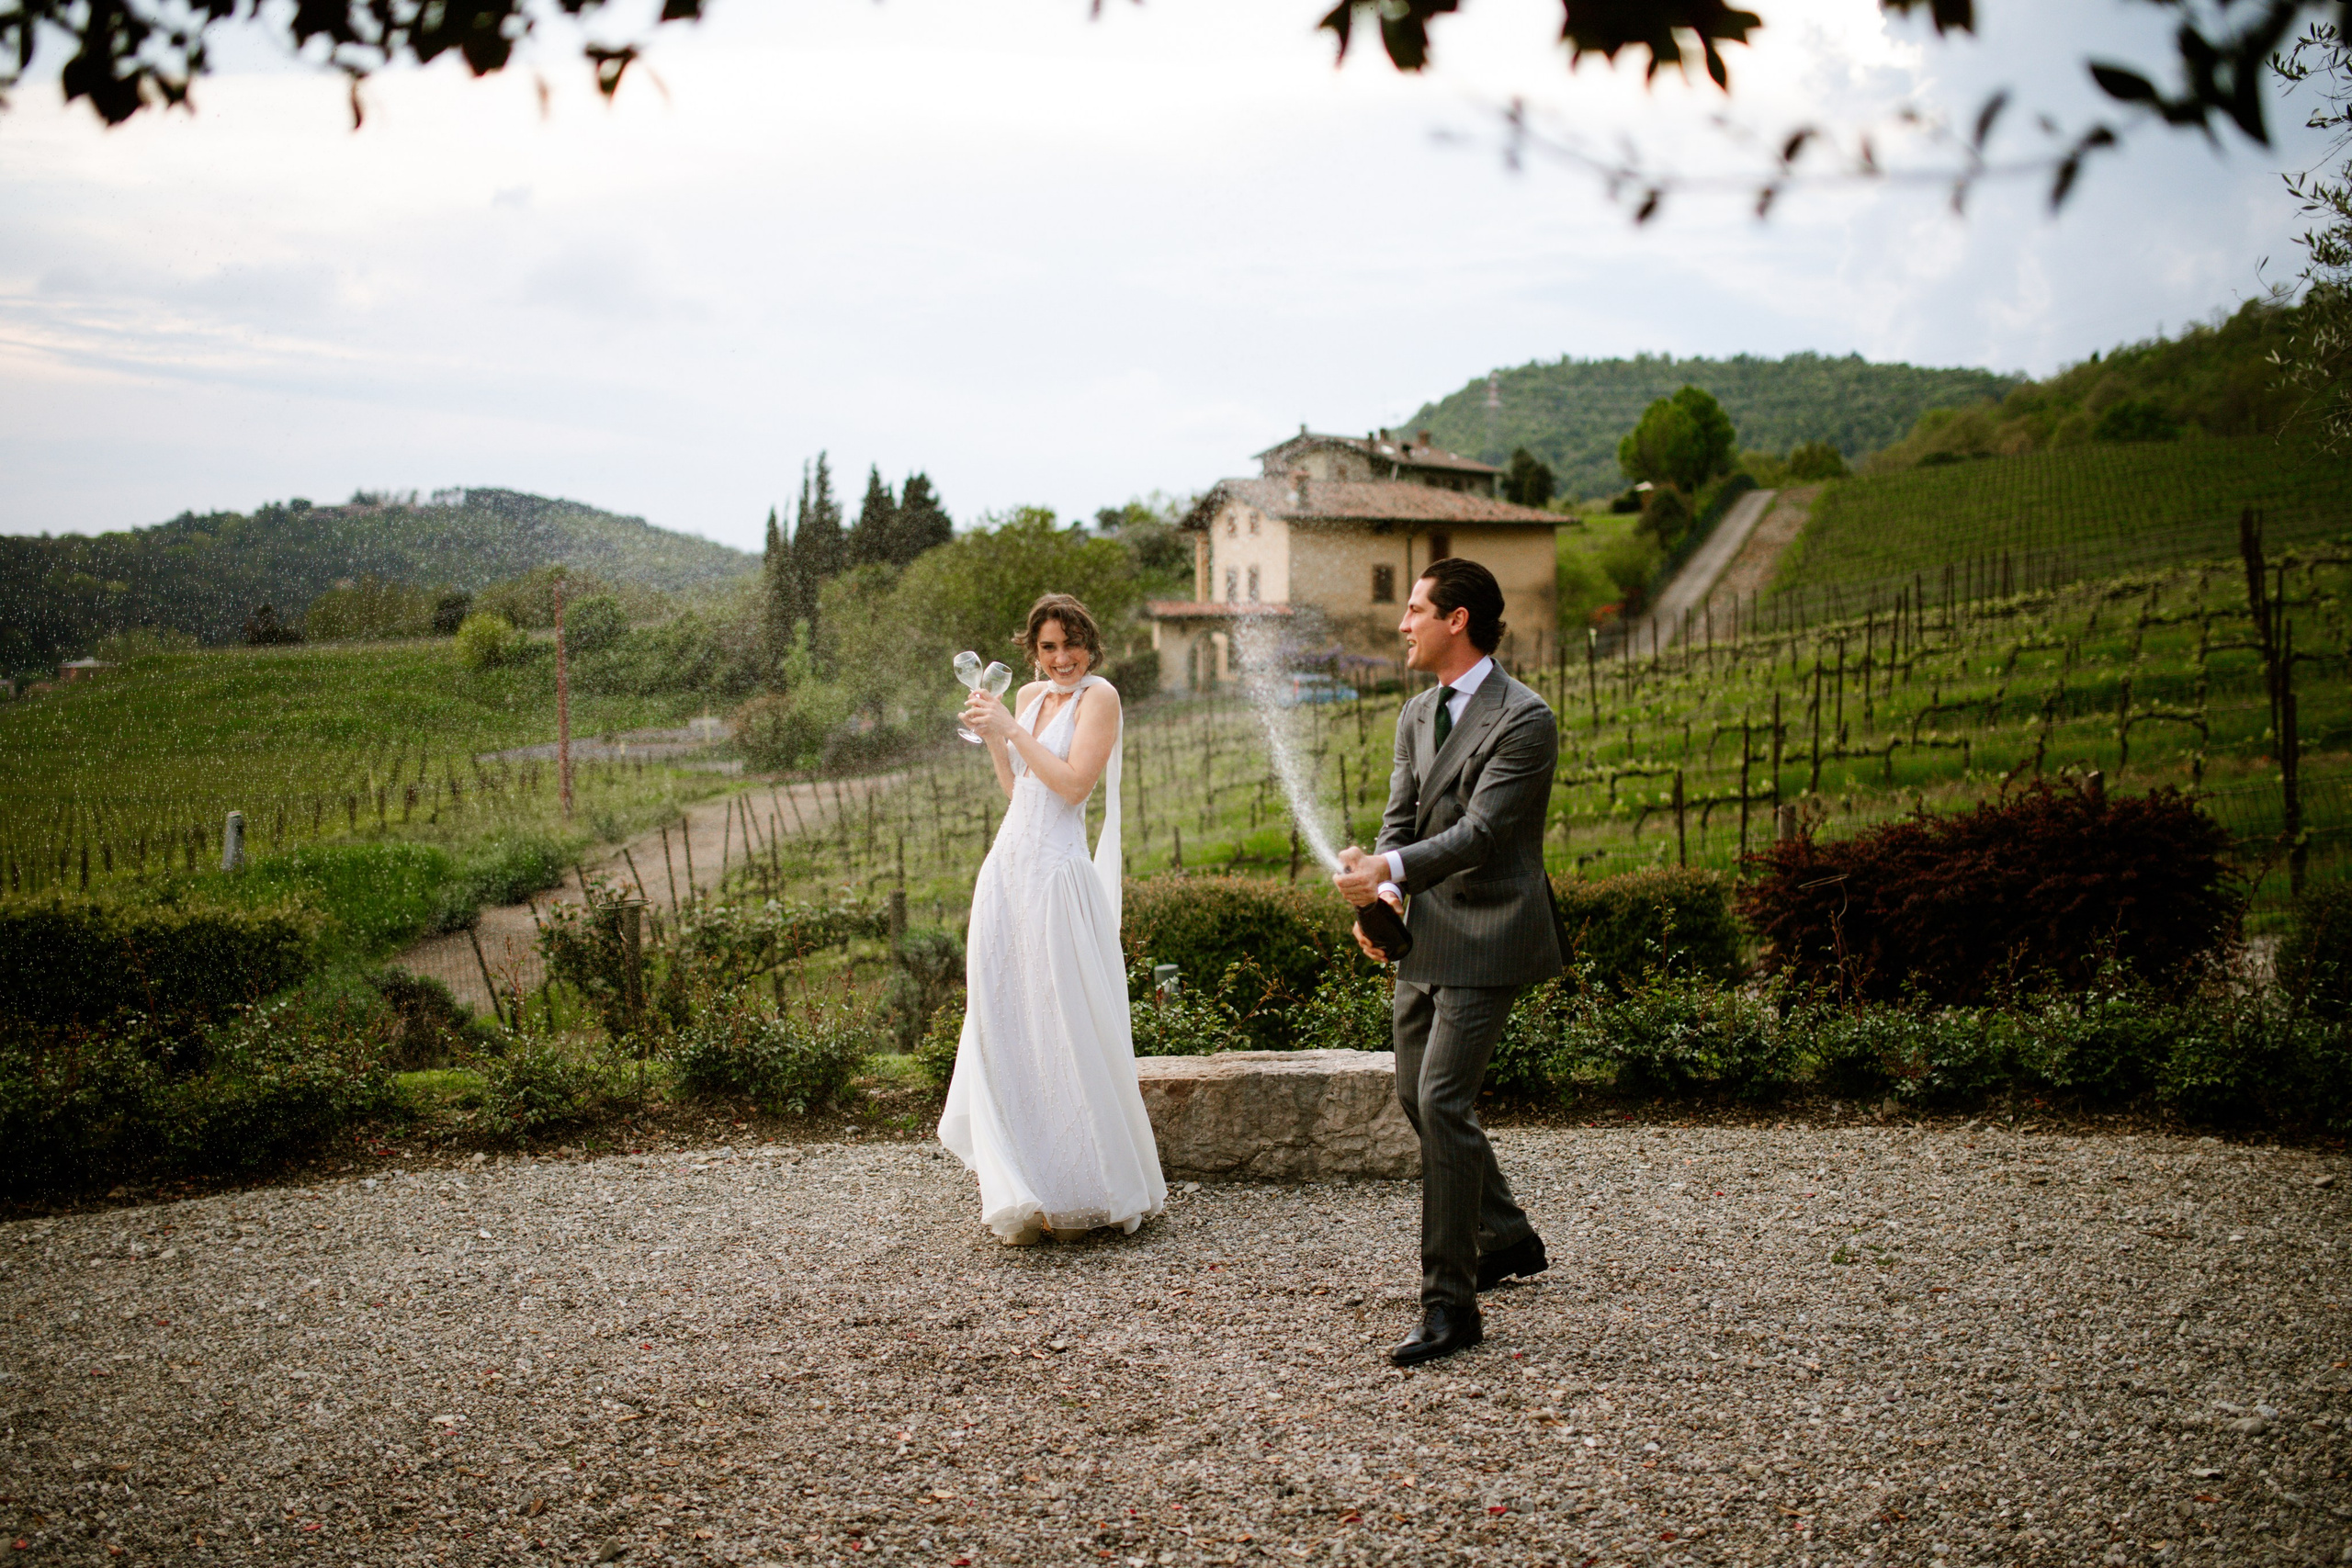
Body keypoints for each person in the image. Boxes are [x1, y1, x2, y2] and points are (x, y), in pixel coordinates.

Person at [1333, 558, 1563, 1366]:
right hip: (1425, 932)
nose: (1402, 624)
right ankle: (1505, 1235)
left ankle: (1450, 1304)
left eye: (1415, 609)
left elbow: (1482, 835)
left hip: (1491, 932)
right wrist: (1382, 897)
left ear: (1456, 619)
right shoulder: (1415, 712)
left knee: (1441, 1100)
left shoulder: (1525, 719)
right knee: (1414, 1094)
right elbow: (1401, 820)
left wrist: (1390, 869)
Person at [937, 593, 1167, 1246]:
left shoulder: (1101, 697)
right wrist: (995, 736)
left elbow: (1070, 787)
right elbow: (1020, 791)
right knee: (1010, 1024)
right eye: (1048, 647)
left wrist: (1010, 730)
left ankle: (1085, 1189)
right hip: (1007, 873)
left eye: (1071, 644)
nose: (1062, 658)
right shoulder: (1030, 697)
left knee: (1065, 1024)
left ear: (1089, 645)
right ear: (1033, 651)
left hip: (1057, 877)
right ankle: (1028, 1187)